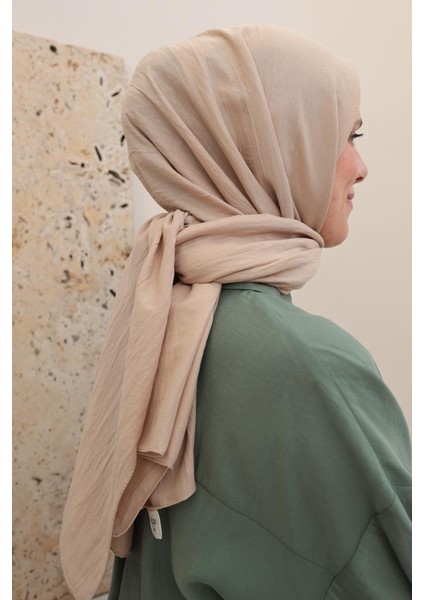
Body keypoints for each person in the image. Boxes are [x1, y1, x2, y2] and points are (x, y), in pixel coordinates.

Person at [60, 24, 411, 600]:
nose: (360, 166)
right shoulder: (307, 366)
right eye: (346, 135)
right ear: (276, 145)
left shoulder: (168, 318)